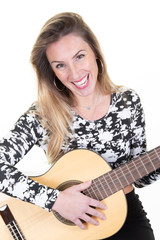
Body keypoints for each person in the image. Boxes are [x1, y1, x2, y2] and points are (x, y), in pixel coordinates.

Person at [0, 12, 159, 240]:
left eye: (79, 57)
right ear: (51, 71)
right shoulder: (41, 116)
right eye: (60, 65)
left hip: (124, 216)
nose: (74, 73)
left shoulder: (128, 102)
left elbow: (140, 176)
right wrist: (55, 200)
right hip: (68, 230)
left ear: (95, 52)